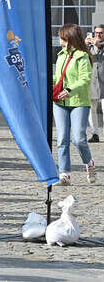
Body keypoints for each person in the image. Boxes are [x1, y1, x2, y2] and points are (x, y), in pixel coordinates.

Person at [53, 23, 97, 185]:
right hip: (60, 102)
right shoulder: (60, 55)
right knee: (62, 139)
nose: (59, 39)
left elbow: (85, 79)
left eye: (61, 36)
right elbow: (58, 79)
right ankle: (65, 175)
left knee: (78, 139)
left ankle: (89, 163)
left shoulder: (82, 56)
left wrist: (70, 90)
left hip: (79, 102)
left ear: (69, 38)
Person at [90, 25, 104, 143]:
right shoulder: (89, 48)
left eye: (101, 33)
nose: (98, 35)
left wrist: (99, 47)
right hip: (92, 84)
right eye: (96, 33)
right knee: (92, 110)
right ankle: (95, 134)